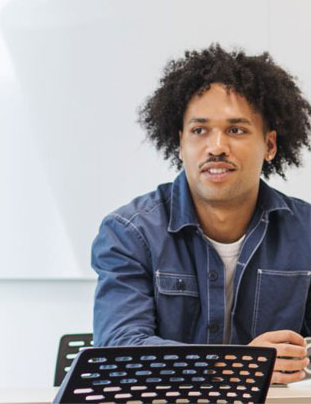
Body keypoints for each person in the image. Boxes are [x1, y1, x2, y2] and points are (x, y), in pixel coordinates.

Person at [92, 44, 311, 384]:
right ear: (180, 144)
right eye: (199, 130)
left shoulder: (306, 231)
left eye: (236, 130)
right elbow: (119, 351)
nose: (217, 146)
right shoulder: (129, 233)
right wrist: (238, 366)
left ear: (269, 145)